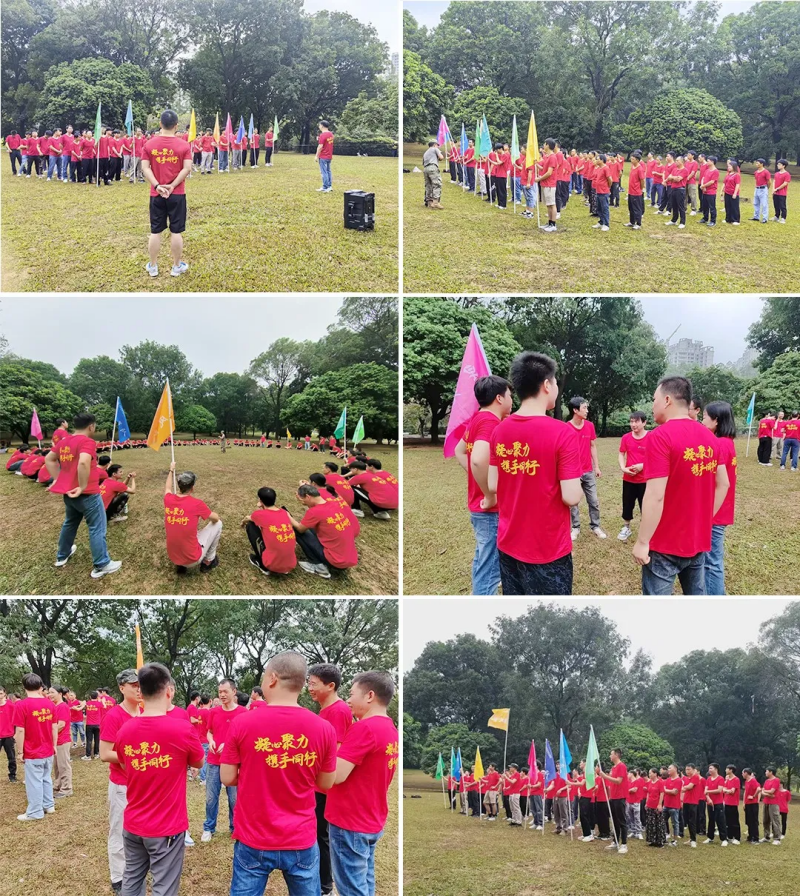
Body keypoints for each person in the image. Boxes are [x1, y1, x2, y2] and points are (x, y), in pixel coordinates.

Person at [218, 652, 337, 896]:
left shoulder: (242, 723)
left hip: (254, 836)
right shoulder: (324, 728)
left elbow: (227, 777)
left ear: (272, 678)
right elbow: (326, 782)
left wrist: (254, 773)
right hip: (301, 838)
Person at [485, 352, 582, 595]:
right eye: (555, 382)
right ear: (547, 385)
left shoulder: (499, 431)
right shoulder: (563, 433)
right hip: (547, 549)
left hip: (508, 544)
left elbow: (493, 484)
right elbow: (571, 496)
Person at [113, 662, 203, 896]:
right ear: (169, 691)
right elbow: (198, 762)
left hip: (133, 823)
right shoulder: (182, 729)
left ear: (140, 692)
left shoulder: (125, 730)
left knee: (131, 879)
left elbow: (123, 763)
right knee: (164, 885)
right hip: (166, 827)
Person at [634, 376, 730, 595]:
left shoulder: (659, 437)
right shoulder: (710, 437)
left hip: (663, 545)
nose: (653, 405)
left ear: (667, 400)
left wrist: (642, 541)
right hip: (697, 540)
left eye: (654, 399)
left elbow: (655, 496)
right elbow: (723, 484)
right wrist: (705, 519)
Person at [324, 671, 398, 896]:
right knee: (364, 881)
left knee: (352, 889)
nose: (348, 700)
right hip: (370, 818)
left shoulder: (364, 728)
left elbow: (337, 775)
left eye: (351, 693)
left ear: (370, 696)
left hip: (350, 821)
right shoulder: (390, 729)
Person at [45, 412, 122, 580]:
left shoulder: (64, 441)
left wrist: (59, 480)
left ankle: (62, 555)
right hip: (88, 494)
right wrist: (82, 486)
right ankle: (102, 564)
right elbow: (83, 461)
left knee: (70, 523)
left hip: (69, 494)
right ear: (91, 426)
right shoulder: (87, 441)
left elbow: (49, 459)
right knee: (97, 527)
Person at [454, 375, 513, 595]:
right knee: (490, 569)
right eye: (509, 395)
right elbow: (478, 460)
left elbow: (460, 451)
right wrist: (489, 494)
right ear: (499, 398)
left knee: (483, 560)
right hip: (489, 509)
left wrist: (477, 478)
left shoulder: (477, 419)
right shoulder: (490, 422)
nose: (512, 400)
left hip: (479, 508)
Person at [98, 669, 142, 894]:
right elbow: (105, 753)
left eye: (141, 684)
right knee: (119, 830)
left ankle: (136, 871)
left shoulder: (145, 712)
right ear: (122, 688)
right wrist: (133, 758)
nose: (139, 689)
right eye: (134, 685)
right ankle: (118, 876)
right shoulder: (114, 716)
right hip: (122, 784)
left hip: (143, 784)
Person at [142, 110, 192, 278]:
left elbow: (145, 168)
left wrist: (157, 186)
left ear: (160, 124)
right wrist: (172, 186)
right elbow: (187, 168)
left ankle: (153, 266)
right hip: (177, 194)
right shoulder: (184, 145)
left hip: (156, 194)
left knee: (155, 231)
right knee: (176, 231)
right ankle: (176, 266)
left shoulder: (149, 145)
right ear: (176, 125)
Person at [202, 678, 247, 842]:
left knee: (234, 798)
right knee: (211, 797)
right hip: (214, 760)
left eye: (225, 691)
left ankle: (235, 827)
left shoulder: (243, 713)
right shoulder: (213, 712)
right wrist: (211, 741)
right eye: (219, 692)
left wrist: (228, 745)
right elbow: (209, 731)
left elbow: (245, 737)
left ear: (234, 692)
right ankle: (209, 827)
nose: (222, 695)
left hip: (233, 762)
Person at [287, 484, 358, 579]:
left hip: (336, 562)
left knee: (297, 530)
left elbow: (300, 528)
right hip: (349, 559)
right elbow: (316, 515)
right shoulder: (334, 504)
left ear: (308, 496)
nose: (303, 502)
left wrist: (288, 516)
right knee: (310, 526)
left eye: (303, 500)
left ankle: (317, 565)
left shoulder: (315, 512)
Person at [702, 402, 737, 595]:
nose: (702, 421)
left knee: (711, 562)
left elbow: (721, 483)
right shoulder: (728, 442)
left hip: (715, 511)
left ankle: (715, 598)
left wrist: (708, 514)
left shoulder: (719, 444)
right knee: (712, 559)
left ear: (716, 420)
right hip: (722, 509)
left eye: (705, 417)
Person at [164, 462, 223, 574]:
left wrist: (171, 470)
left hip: (174, 557)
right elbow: (215, 519)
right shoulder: (197, 504)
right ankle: (208, 561)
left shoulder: (168, 499)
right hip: (191, 559)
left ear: (179, 486)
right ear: (192, 488)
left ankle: (180, 565)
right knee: (219, 523)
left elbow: (167, 488)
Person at [13, 672, 56, 821]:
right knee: (46, 777)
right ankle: (49, 805)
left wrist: (20, 752)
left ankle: (35, 812)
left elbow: (20, 730)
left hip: (33, 750)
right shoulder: (50, 704)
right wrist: (54, 745)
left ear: (24, 687)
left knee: (34, 781)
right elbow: (54, 727)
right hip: (48, 749)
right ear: (40, 686)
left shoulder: (21, 705)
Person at [567, 396, 607, 541]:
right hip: (573, 472)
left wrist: (597, 467)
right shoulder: (566, 427)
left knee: (593, 500)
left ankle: (595, 526)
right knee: (573, 503)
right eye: (584, 408)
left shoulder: (589, 425)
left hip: (588, 470)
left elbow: (592, 446)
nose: (587, 411)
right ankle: (575, 527)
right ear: (575, 410)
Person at [241, 486, 297, 576]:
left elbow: (247, 518)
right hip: (291, 564)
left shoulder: (259, 514)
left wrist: (242, 524)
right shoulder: (284, 512)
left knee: (250, 525)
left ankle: (263, 565)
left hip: (272, 564)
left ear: (260, 500)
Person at [618, 411, 648, 541]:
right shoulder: (626, 438)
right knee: (627, 504)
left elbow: (656, 457)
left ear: (644, 422)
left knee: (646, 506)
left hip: (645, 480)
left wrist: (643, 465)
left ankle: (646, 530)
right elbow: (621, 453)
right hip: (629, 479)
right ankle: (626, 527)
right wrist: (623, 468)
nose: (633, 424)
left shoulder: (651, 437)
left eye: (636, 421)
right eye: (631, 421)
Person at [596, 748, 628, 854]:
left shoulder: (621, 766)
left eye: (611, 754)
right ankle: (615, 841)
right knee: (614, 821)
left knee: (622, 821)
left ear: (616, 755)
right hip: (613, 798)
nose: (610, 756)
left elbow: (619, 781)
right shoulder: (613, 768)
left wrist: (605, 776)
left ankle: (624, 844)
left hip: (620, 797)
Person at [49, 685, 73, 800]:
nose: (50, 695)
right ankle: (58, 785)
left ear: (60, 694)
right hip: (56, 741)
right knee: (57, 765)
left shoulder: (62, 706)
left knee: (64, 765)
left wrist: (49, 733)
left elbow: (61, 725)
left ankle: (67, 788)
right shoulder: (55, 706)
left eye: (52, 692)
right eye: (49, 692)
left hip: (62, 740)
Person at [536, 139, 559, 232]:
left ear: (548, 145)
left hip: (550, 184)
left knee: (552, 204)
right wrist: (536, 164)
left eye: (544, 144)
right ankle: (549, 222)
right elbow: (544, 168)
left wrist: (539, 179)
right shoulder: (546, 156)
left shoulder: (553, 157)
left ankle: (553, 224)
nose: (543, 146)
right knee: (548, 205)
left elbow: (549, 172)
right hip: (545, 183)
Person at [0, 686, 18, 784]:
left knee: (11, 757)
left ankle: (12, 775)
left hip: (8, 735)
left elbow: (16, 720)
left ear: (4, 694)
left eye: (1, 693)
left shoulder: (11, 705)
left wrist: (15, 733)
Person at [645, 768, 666, 847]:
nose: (649, 774)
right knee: (650, 823)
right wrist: (646, 803)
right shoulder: (650, 782)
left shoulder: (660, 782)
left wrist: (660, 804)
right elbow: (648, 793)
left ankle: (660, 841)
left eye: (650, 773)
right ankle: (652, 840)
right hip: (650, 805)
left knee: (658, 823)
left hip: (656, 805)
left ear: (655, 774)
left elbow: (662, 793)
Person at [624, 152, 646, 229]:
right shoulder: (632, 167)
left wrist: (640, 189)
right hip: (631, 191)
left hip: (636, 192)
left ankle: (638, 223)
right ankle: (632, 222)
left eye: (633, 159)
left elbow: (642, 180)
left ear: (637, 160)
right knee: (631, 207)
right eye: (631, 158)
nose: (631, 160)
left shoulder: (640, 169)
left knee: (637, 208)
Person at [761, 767, 782, 844]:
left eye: (766, 771)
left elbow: (772, 791)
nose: (765, 772)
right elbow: (763, 791)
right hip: (766, 802)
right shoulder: (766, 781)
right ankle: (766, 837)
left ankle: (777, 838)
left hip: (774, 803)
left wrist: (765, 792)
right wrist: (768, 794)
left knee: (775, 820)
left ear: (771, 772)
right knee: (765, 820)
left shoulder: (776, 780)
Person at [663, 765, 683, 846]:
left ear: (675, 769)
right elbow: (665, 790)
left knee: (675, 823)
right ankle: (664, 836)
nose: (668, 770)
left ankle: (675, 840)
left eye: (670, 768)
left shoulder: (678, 780)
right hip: (666, 804)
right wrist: (669, 791)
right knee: (663, 821)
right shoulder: (668, 780)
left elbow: (675, 792)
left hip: (674, 805)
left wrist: (666, 790)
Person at [592, 153, 612, 231]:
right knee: (599, 208)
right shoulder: (599, 168)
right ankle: (601, 222)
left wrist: (607, 187)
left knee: (604, 208)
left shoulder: (606, 168)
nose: (596, 161)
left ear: (602, 160)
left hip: (604, 191)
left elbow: (610, 179)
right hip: (598, 190)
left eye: (598, 159)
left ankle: (606, 224)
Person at [422, 140, 444, 210]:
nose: (438, 146)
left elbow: (423, 162)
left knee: (428, 185)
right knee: (437, 184)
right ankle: (435, 202)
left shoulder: (426, 152)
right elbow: (441, 157)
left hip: (425, 169)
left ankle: (429, 202)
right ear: (434, 145)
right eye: (437, 145)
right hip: (432, 168)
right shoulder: (435, 149)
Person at [700, 155, 720, 226]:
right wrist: (702, 185)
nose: (707, 162)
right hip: (704, 190)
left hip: (711, 192)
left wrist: (704, 186)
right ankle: (705, 218)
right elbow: (703, 178)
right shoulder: (707, 170)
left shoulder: (715, 171)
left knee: (712, 207)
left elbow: (712, 181)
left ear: (712, 162)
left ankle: (713, 221)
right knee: (705, 206)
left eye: (708, 161)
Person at [742, 767, 761, 843]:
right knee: (749, 821)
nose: (742, 774)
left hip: (753, 803)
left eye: (743, 773)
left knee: (754, 821)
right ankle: (750, 836)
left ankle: (756, 838)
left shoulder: (753, 780)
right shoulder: (747, 781)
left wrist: (753, 796)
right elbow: (746, 792)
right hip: (748, 804)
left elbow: (759, 789)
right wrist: (744, 802)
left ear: (746, 773)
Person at [316, 120, 334, 193]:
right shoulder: (331, 134)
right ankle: (329, 186)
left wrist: (316, 156)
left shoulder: (323, 135)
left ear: (322, 126)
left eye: (319, 125)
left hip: (323, 156)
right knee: (328, 171)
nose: (319, 126)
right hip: (329, 156)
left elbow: (320, 146)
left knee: (324, 172)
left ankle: (325, 187)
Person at [626, 769, 645, 840]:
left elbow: (634, 790)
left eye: (629, 774)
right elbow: (629, 790)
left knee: (637, 817)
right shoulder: (629, 782)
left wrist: (629, 790)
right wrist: (630, 790)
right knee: (631, 817)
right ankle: (633, 831)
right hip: (629, 801)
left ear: (632, 774)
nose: (628, 775)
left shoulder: (637, 781)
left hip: (636, 801)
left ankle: (639, 832)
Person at [751, 158, 771, 224]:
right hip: (757, 188)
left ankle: (765, 218)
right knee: (756, 203)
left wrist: (766, 188)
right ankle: (756, 216)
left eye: (758, 163)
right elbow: (756, 180)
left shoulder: (766, 172)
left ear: (762, 164)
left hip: (763, 189)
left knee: (764, 204)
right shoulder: (756, 172)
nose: (756, 164)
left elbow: (769, 181)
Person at [723, 159, 741, 225]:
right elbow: (725, 182)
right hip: (727, 192)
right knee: (727, 206)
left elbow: (737, 184)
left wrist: (735, 193)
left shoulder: (736, 175)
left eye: (730, 166)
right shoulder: (728, 174)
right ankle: (728, 219)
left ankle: (735, 220)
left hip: (733, 192)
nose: (728, 167)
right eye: (728, 166)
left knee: (734, 206)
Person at [772, 159, 790, 223]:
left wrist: (777, 189)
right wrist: (773, 189)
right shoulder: (776, 174)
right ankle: (776, 216)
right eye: (778, 164)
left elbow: (785, 183)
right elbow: (774, 181)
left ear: (783, 166)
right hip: (775, 193)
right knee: (776, 205)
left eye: (779, 164)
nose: (778, 165)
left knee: (782, 206)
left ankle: (783, 218)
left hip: (782, 193)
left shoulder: (787, 174)